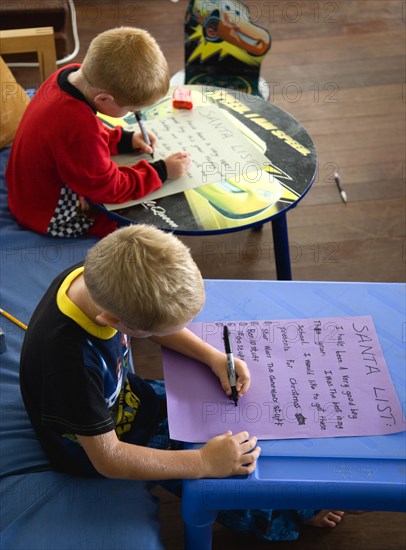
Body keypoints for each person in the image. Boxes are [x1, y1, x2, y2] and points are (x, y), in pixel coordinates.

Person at [20, 224, 346, 542]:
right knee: (235, 481)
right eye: (154, 332)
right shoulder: (69, 364)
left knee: (238, 421)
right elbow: (108, 459)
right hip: (104, 444)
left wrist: (212, 357)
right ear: (113, 321)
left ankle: (303, 497)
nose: (162, 335)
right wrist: (203, 463)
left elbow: (156, 320)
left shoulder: (100, 275)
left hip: (127, 399)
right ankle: (284, 516)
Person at [6, 27, 190, 238]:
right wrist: (161, 171)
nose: (134, 114)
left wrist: (124, 140)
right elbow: (110, 189)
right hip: (48, 216)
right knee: (137, 226)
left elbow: (80, 136)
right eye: (131, 110)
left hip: (26, 193)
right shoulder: (78, 128)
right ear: (103, 99)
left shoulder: (67, 76)